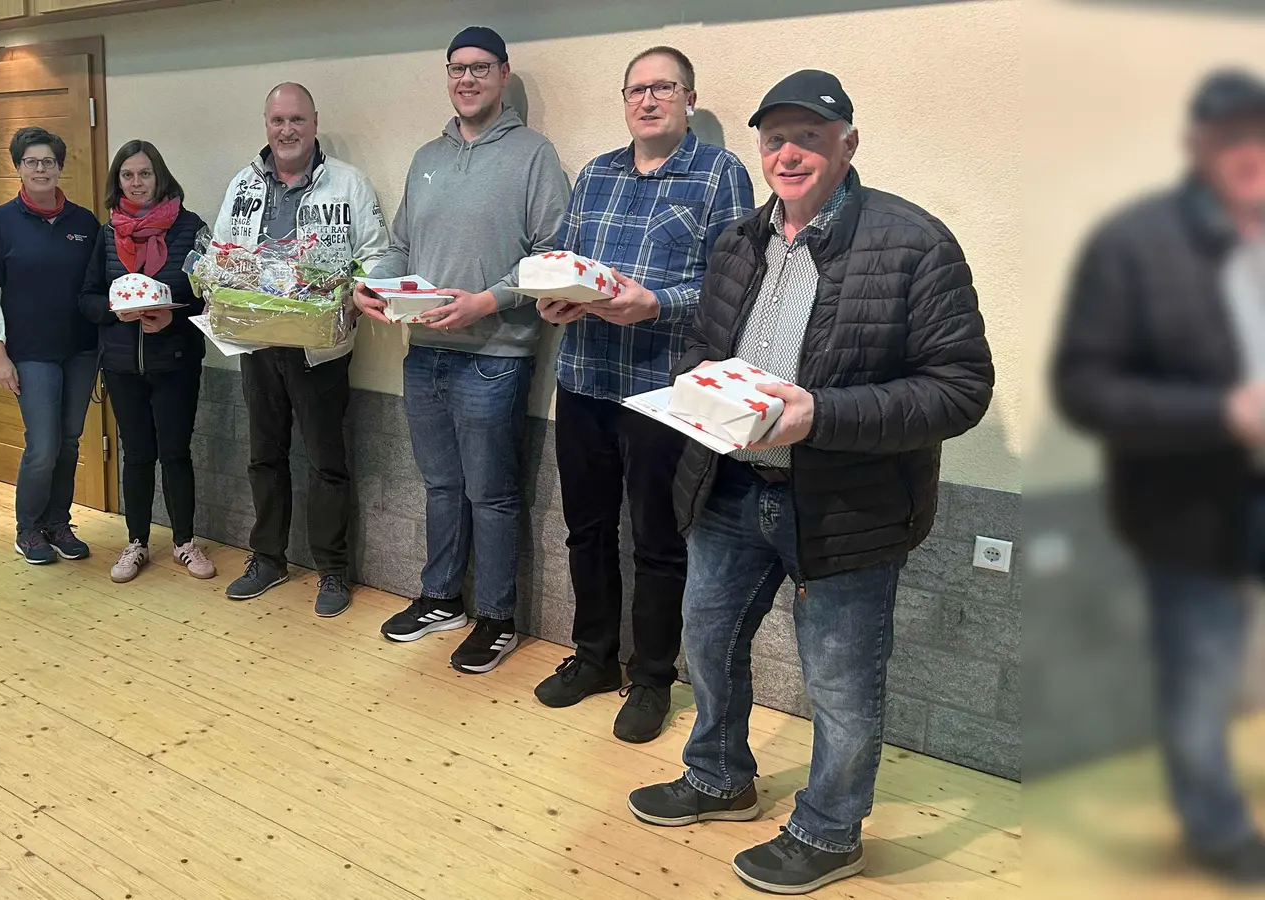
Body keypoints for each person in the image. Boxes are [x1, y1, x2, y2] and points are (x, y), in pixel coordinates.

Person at [625, 70, 993, 894]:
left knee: (842, 682)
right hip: (728, 488)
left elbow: (961, 388)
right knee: (709, 645)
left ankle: (831, 833)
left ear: (848, 144)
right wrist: (704, 395)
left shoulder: (914, 243)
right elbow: (703, 350)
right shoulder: (740, 240)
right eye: (775, 138)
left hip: (846, 507)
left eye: (810, 137)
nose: (788, 153)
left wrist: (819, 414)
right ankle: (720, 778)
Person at [1052, 69, 1265, 885]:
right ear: (1196, 146)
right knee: (1203, 671)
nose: (1251, 152)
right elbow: (1087, 386)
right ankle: (1214, 827)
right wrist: (1222, 413)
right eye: (1231, 136)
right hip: (1192, 502)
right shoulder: (1135, 243)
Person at [532, 46, 753, 743]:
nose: (648, 99)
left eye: (664, 87)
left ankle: (652, 677)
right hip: (585, 380)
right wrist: (553, 298)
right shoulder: (596, 173)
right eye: (637, 89)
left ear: (689, 97)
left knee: (659, 540)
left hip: (664, 392)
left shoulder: (722, 175)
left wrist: (656, 303)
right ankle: (594, 656)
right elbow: (568, 261)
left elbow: (735, 287)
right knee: (587, 531)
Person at [354, 26, 569, 673]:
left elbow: (552, 256)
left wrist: (486, 300)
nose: (467, 79)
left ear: (503, 75)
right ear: (447, 76)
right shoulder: (427, 157)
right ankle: (442, 597)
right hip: (424, 353)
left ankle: (498, 617)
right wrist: (372, 284)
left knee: (492, 493)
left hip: (495, 355)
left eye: (480, 68)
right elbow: (400, 244)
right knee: (442, 485)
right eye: (457, 69)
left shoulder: (534, 156)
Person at [212, 83, 389, 617]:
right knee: (264, 459)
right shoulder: (243, 183)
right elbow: (222, 251)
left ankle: (332, 570)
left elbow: (379, 254)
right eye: (277, 121)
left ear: (314, 123)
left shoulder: (348, 184)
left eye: (296, 120)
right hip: (259, 345)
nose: (286, 131)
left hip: (321, 350)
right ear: (265, 125)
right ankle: (267, 558)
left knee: (326, 463)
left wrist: (360, 293)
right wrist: (216, 278)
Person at [79, 140, 215, 584]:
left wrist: (171, 318)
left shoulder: (191, 227)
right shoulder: (105, 234)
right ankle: (136, 541)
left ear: (161, 177)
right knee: (136, 456)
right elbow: (88, 298)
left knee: (175, 454)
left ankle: (184, 542)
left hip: (175, 361)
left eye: (145, 174)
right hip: (121, 364)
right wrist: (114, 313)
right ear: (117, 181)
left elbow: (211, 297)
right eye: (127, 175)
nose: (136, 183)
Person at [0, 126, 101, 565]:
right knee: (42, 446)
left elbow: (98, 285)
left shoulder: (84, 223)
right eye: (31, 162)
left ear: (60, 167)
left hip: (81, 349)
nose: (40, 169)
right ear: (19, 169)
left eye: (48, 161)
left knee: (69, 441)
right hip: (30, 353)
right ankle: (28, 529)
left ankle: (57, 524)